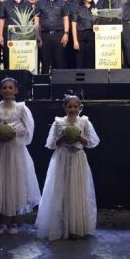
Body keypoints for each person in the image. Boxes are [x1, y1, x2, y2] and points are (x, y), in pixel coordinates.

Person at [0, 77, 41, 235]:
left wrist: (13, 133)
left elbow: (27, 129)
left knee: (15, 183)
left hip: (15, 150)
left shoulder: (21, 108)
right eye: (5, 87)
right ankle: (1, 221)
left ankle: (14, 220)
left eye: (10, 87)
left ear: (16, 90)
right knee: (1, 182)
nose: (7, 90)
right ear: (0, 91)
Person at [36, 95, 100, 240]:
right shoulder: (59, 122)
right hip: (62, 159)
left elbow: (92, 142)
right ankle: (59, 227)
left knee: (76, 191)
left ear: (80, 108)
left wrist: (79, 138)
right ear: (65, 108)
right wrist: (62, 138)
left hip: (77, 159)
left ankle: (75, 227)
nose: (72, 109)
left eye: (75, 106)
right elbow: (51, 144)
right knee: (61, 190)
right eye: (69, 106)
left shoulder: (84, 122)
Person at [35, 0, 69, 73]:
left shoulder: (62, 3)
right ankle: (45, 81)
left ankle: (59, 82)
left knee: (59, 62)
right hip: (44, 36)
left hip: (59, 35)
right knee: (45, 62)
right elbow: (36, 20)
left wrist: (66, 34)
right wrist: (37, 36)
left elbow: (66, 19)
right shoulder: (39, 3)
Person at [0, 0, 33, 70]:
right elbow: (2, 20)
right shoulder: (5, 3)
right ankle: (7, 77)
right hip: (8, 35)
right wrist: (0, 36)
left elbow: (31, 21)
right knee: (8, 59)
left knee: (21, 59)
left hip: (23, 36)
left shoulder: (27, 3)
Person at [72, 0, 97, 69]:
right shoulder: (77, 7)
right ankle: (80, 77)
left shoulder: (94, 7)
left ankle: (91, 77)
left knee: (91, 61)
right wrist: (75, 41)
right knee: (80, 61)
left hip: (92, 36)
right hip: (81, 36)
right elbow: (73, 24)